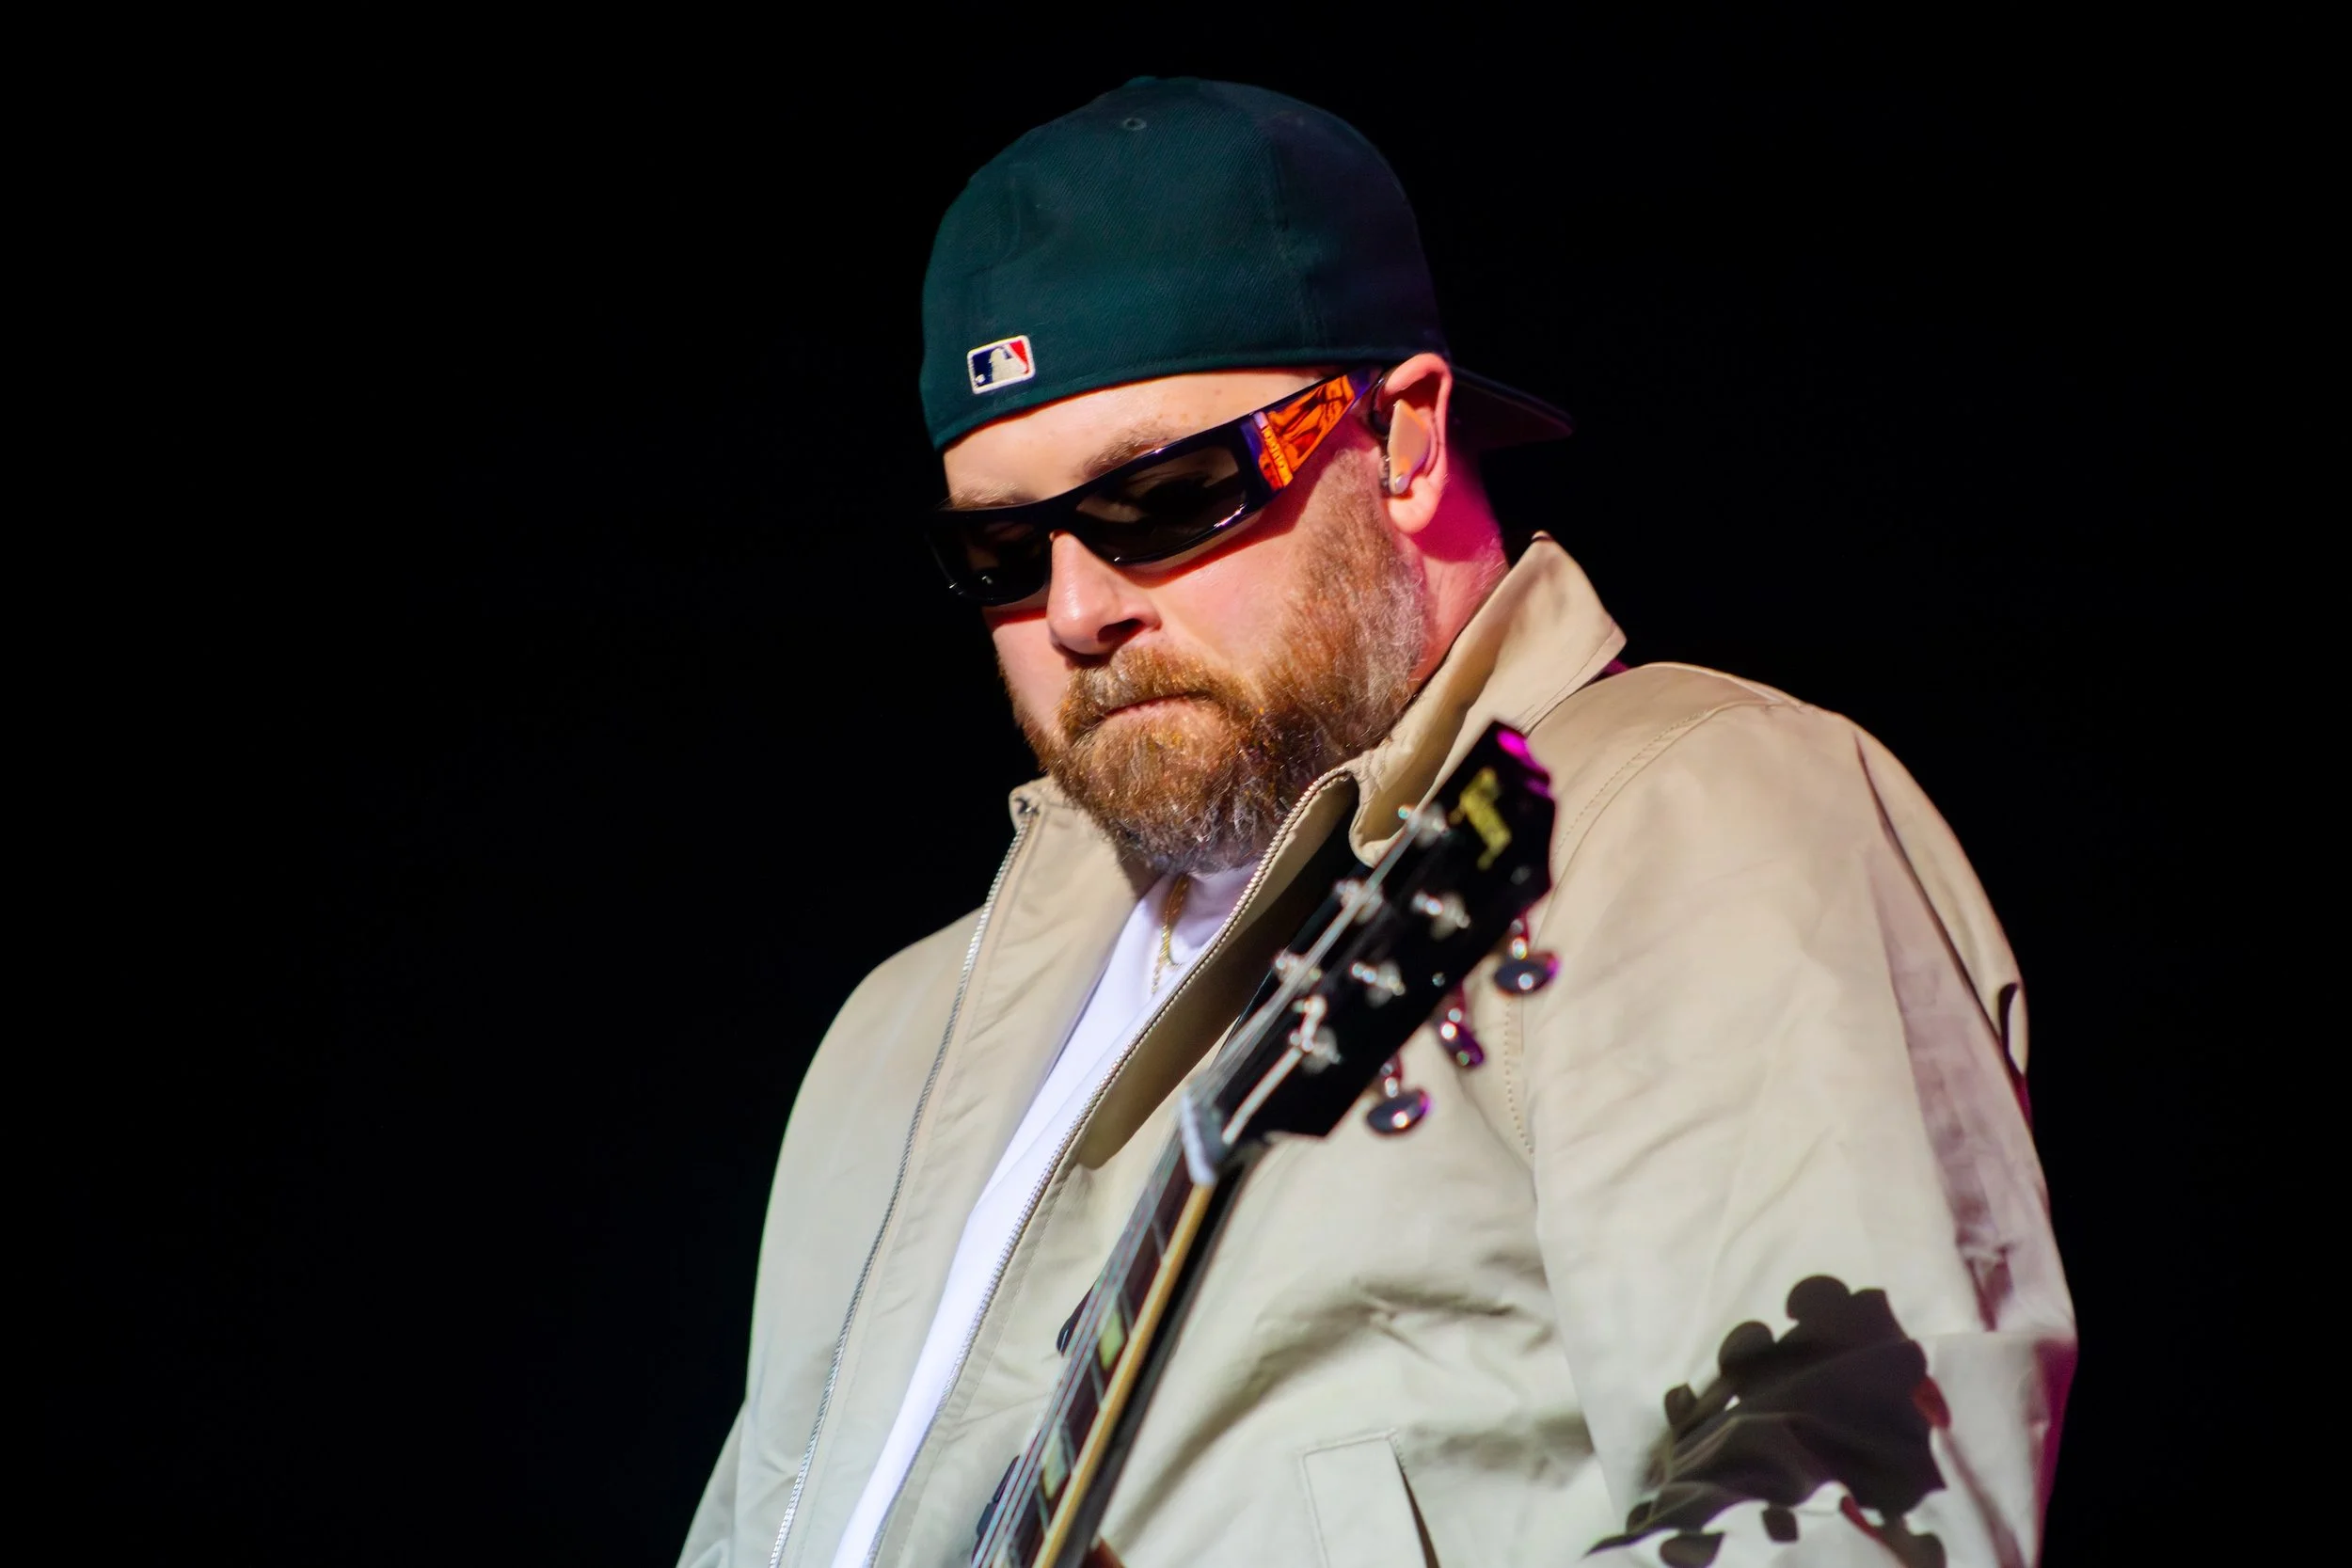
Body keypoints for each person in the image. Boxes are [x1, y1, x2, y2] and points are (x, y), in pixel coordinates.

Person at [681, 78, 2074, 1568]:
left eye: (1166, 496)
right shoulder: (897, 1035)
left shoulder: (1669, 810)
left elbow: (1843, 1503)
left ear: (1405, 437)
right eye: (1002, 550)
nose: (1077, 607)